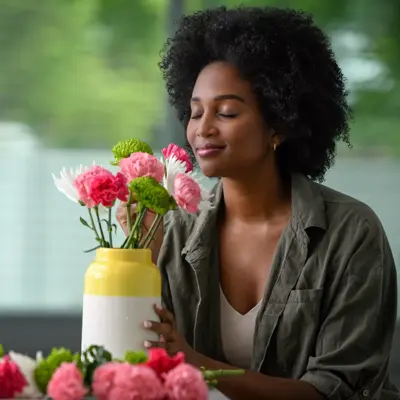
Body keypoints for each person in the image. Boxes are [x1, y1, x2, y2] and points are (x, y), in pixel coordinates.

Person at [117, 6, 399, 400]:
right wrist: (137, 265)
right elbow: (131, 365)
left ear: (279, 124)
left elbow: (337, 390)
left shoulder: (351, 234)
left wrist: (197, 363)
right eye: (195, 111)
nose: (203, 129)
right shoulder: (173, 231)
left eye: (227, 111)